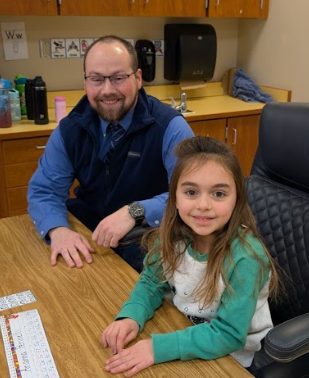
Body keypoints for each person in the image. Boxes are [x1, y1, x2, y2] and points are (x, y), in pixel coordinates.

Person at [101, 136, 280, 377]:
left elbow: (228, 335)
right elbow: (151, 283)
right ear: (174, 197)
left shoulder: (245, 258)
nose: (203, 205)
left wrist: (156, 348)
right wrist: (130, 317)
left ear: (236, 199)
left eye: (218, 194)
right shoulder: (174, 236)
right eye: (191, 192)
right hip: (182, 328)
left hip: (229, 359)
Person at [27, 35, 193, 272]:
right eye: (96, 79)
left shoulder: (170, 128)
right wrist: (58, 231)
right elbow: (44, 191)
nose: (107, 90)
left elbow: (192, 195)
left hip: (148, 232)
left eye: (118, 78)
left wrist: (135, 211)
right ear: (85, 82)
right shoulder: (70, 129)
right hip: (92, 228)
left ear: (137, 78)